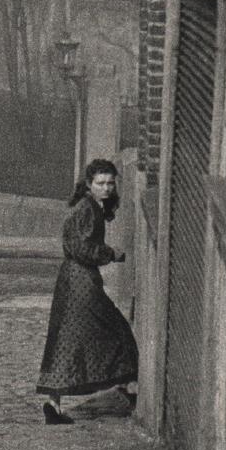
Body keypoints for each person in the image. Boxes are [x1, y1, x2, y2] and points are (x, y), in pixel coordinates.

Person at [36, 158, 138, 424]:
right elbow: (82, 248)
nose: (106, 188)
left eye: (110, 183)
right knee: (114, 330)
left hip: (73, 280)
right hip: (80, 282)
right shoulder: (88, 208)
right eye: (100, 183)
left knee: (69, 340)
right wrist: (111, 253)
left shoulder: (90, 207)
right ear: (89, 184)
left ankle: (54, 403)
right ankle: (127, 387)